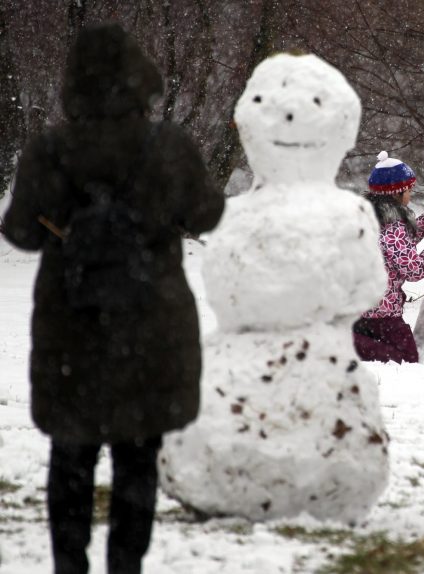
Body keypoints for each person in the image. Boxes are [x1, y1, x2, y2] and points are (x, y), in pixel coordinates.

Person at [2, 24, 224, 573]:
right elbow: (207, 214)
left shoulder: (51, 149)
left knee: (70, 458)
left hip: (71, 333)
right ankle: (127, 565)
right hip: (150, 328)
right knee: (137, 459)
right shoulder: (167, 147)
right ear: (139, 77)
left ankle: (69, 565)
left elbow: (21, 232)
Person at [353, 151, 424, 363]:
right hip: (381, 313)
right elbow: (413, 270)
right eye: (409, 190)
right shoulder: (393, 227)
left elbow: (402, 245)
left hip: (362, 309)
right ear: (397, 192)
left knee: (396, 353)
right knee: (405, 357)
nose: (411, 195)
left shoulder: (375, 218)